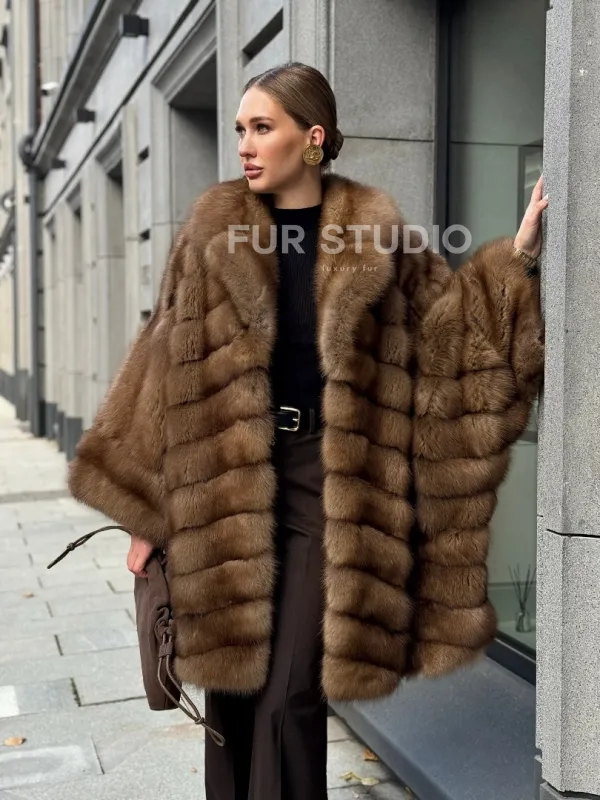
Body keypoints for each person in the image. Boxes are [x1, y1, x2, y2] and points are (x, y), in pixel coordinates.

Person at [66, 62, 547, 800]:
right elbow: (163, 370)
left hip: (327, 480)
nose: (245, 145)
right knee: (233, 687)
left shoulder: (379, 236)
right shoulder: (212, 234)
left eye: (262, 127)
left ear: (312, 138)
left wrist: (516, 261)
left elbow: (453, 346)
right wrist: (146, 516)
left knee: (291, 693)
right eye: (240, 129)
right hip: (225, 479)